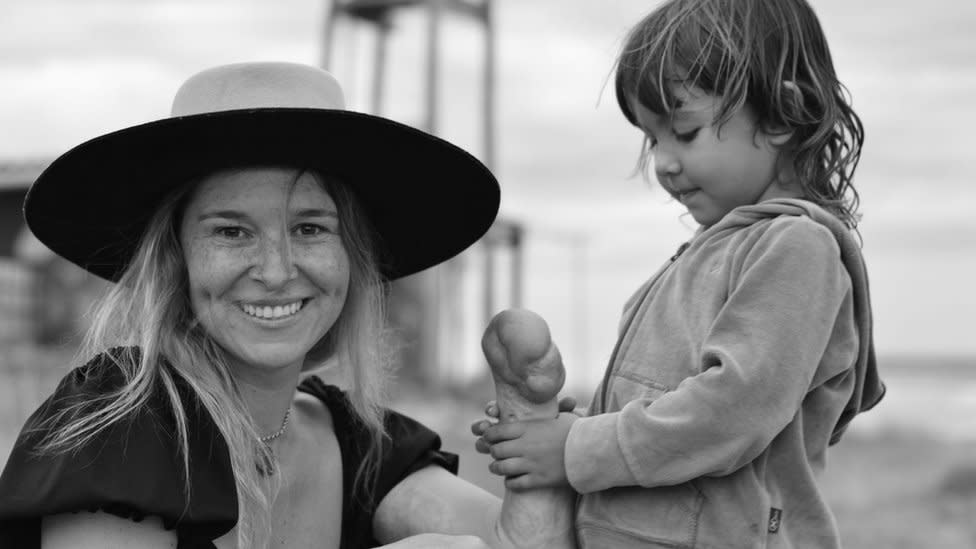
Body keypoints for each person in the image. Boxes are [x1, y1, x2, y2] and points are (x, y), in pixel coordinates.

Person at [0, 61, 528, 549]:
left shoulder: (357, 444)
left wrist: (533, 426)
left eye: (310, 228)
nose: (276, 271)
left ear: (354, 258)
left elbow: (518, 541)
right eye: (231, 231)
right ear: (174, 260)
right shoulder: (115, 427)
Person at [474, 0, 886, 547]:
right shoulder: (707, 254)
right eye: (652, 138)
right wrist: (570, 428)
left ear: (784, 115)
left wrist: (578, 449)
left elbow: (733, 412)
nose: (664, 162)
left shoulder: (798, 248)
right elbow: (669, 408)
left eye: (684, 131)